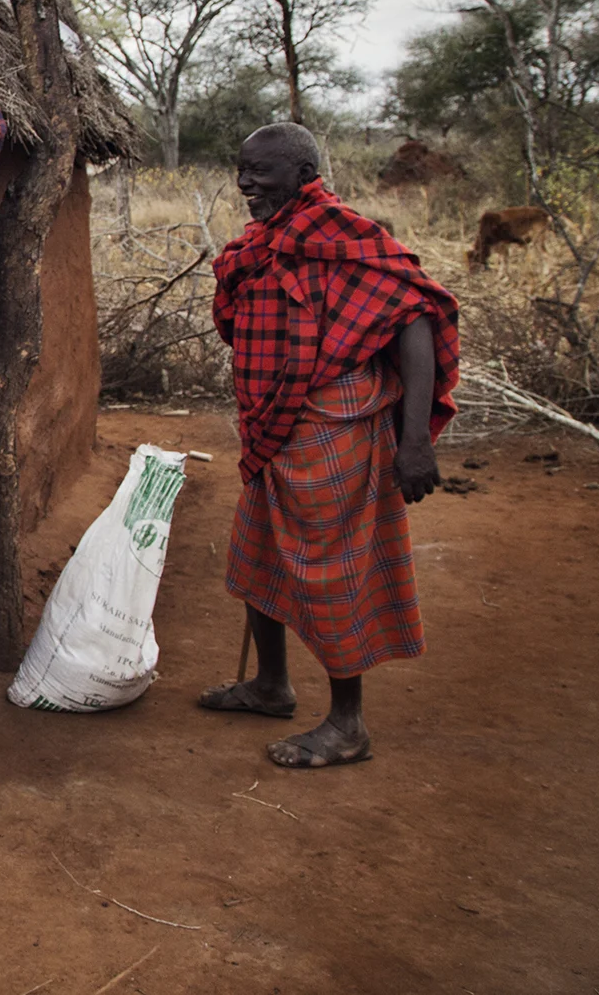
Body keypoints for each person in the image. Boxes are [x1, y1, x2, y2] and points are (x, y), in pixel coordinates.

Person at [200, 123, 459, 769]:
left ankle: (348, 724)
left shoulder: (346, 238)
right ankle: (271, 686)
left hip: (332, 426)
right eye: (241, 169)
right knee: (258, 559)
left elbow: (415, 323)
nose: (246, 183)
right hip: (271, 428)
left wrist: (416, 440)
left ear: (304, 174)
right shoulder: (264, 242)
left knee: (330, 572)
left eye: (261, 171)